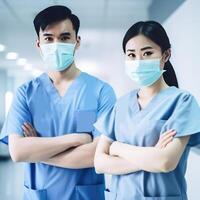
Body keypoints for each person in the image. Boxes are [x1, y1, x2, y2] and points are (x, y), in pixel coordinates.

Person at [0, 5, 116, 200]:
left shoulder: (100, 91)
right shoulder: (26, 94)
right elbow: (18, 152)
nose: (56, 44)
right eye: (48, 38)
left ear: (77, 41)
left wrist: (37, 149)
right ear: (38, 44)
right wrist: (76, 139)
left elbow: (97, 154)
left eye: (64, 38)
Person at [94, 21, 200, 200]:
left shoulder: (182, 101)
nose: (138, 61)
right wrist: (151, 155)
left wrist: (118, 147)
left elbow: (165, 162)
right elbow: (99, 163)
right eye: (132, 55)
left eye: (147, 53)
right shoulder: (121, 105)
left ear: (166, 55)